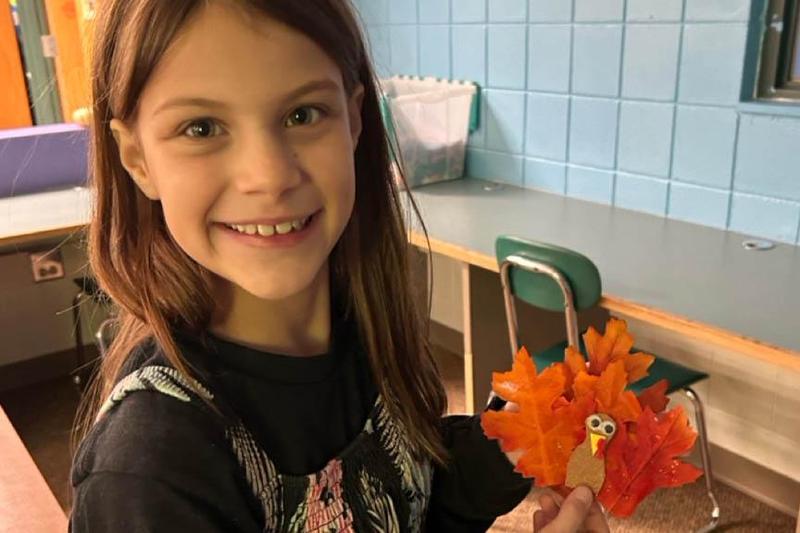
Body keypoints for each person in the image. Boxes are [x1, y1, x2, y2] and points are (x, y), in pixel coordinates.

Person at [68, 1, 610, 531]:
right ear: (137, 158)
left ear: (353, 121)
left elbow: (407, 497)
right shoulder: (150, 478)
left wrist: (511, 439)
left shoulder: (365, 327)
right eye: (202, 128)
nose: (269, 176)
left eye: (302, 114)